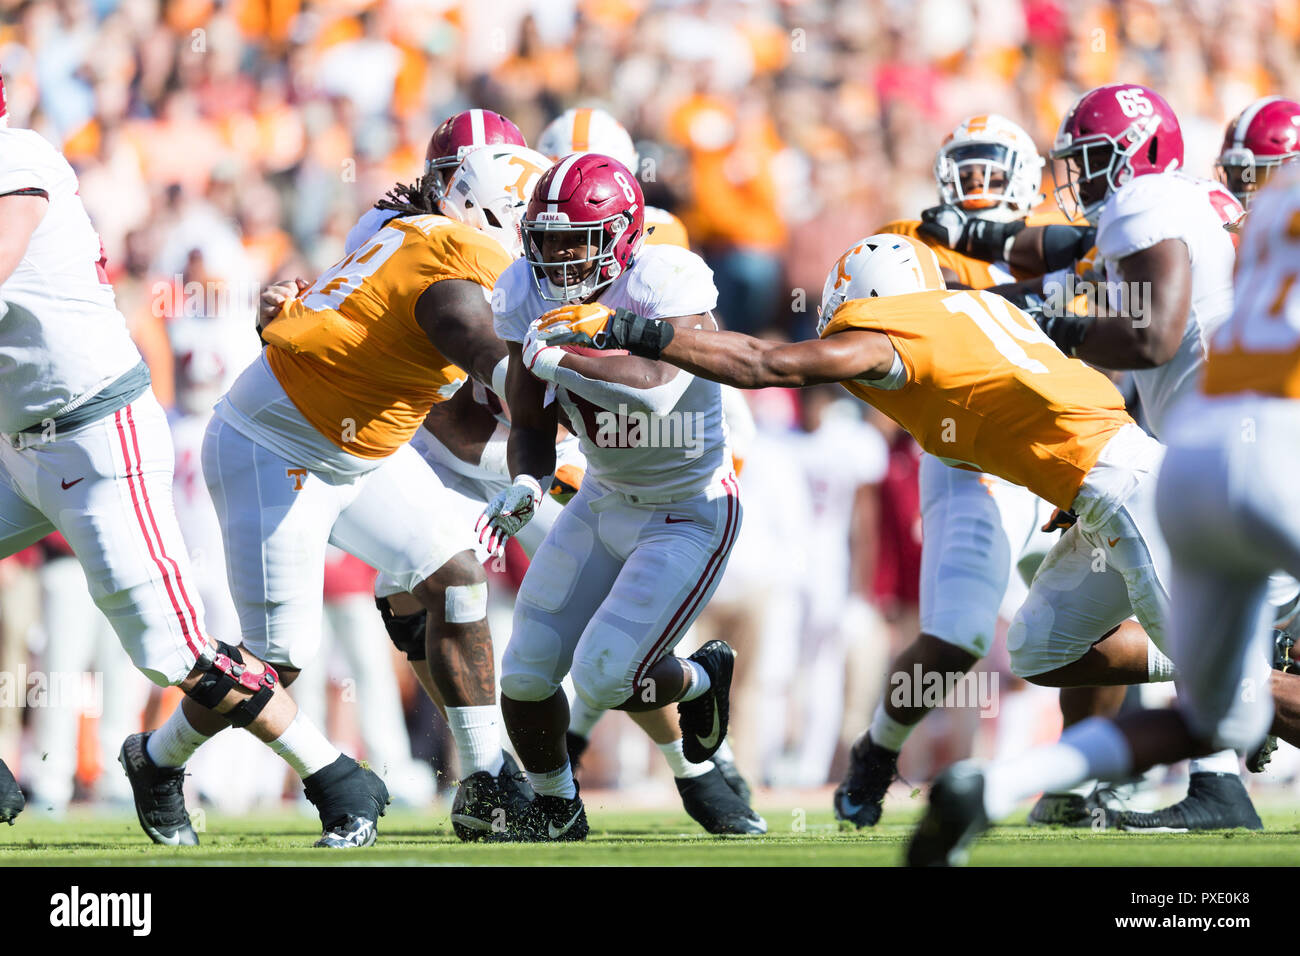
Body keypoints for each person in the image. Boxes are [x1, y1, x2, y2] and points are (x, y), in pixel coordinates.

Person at [0, 75, 357, 849]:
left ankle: (333, 774)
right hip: (21, 441)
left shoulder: (15, 156)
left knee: (177, 652)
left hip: (93, 437)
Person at [906, 165, 1300, 866]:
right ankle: (1244, 676)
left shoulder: (1191, 214)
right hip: (1259, 449)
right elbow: (1078, 268)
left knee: (1217, 710)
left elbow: (1077, 271)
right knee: (1067, 651)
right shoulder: (1184, 225)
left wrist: (984, 268)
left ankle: (997, 788)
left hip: (1196, 470)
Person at [481, 153, 754, 840]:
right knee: (526, 671)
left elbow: (661, 387)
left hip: (688, 508)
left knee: (605, 675)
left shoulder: (664, 276)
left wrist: (563, 357)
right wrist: (525, 480)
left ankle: (697, 679)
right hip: (604, 498)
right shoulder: (524, 290)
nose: (559, 256)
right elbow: (532, 417)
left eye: (576, 239)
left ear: (623, 233)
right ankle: (555, 805)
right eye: (546, 240)